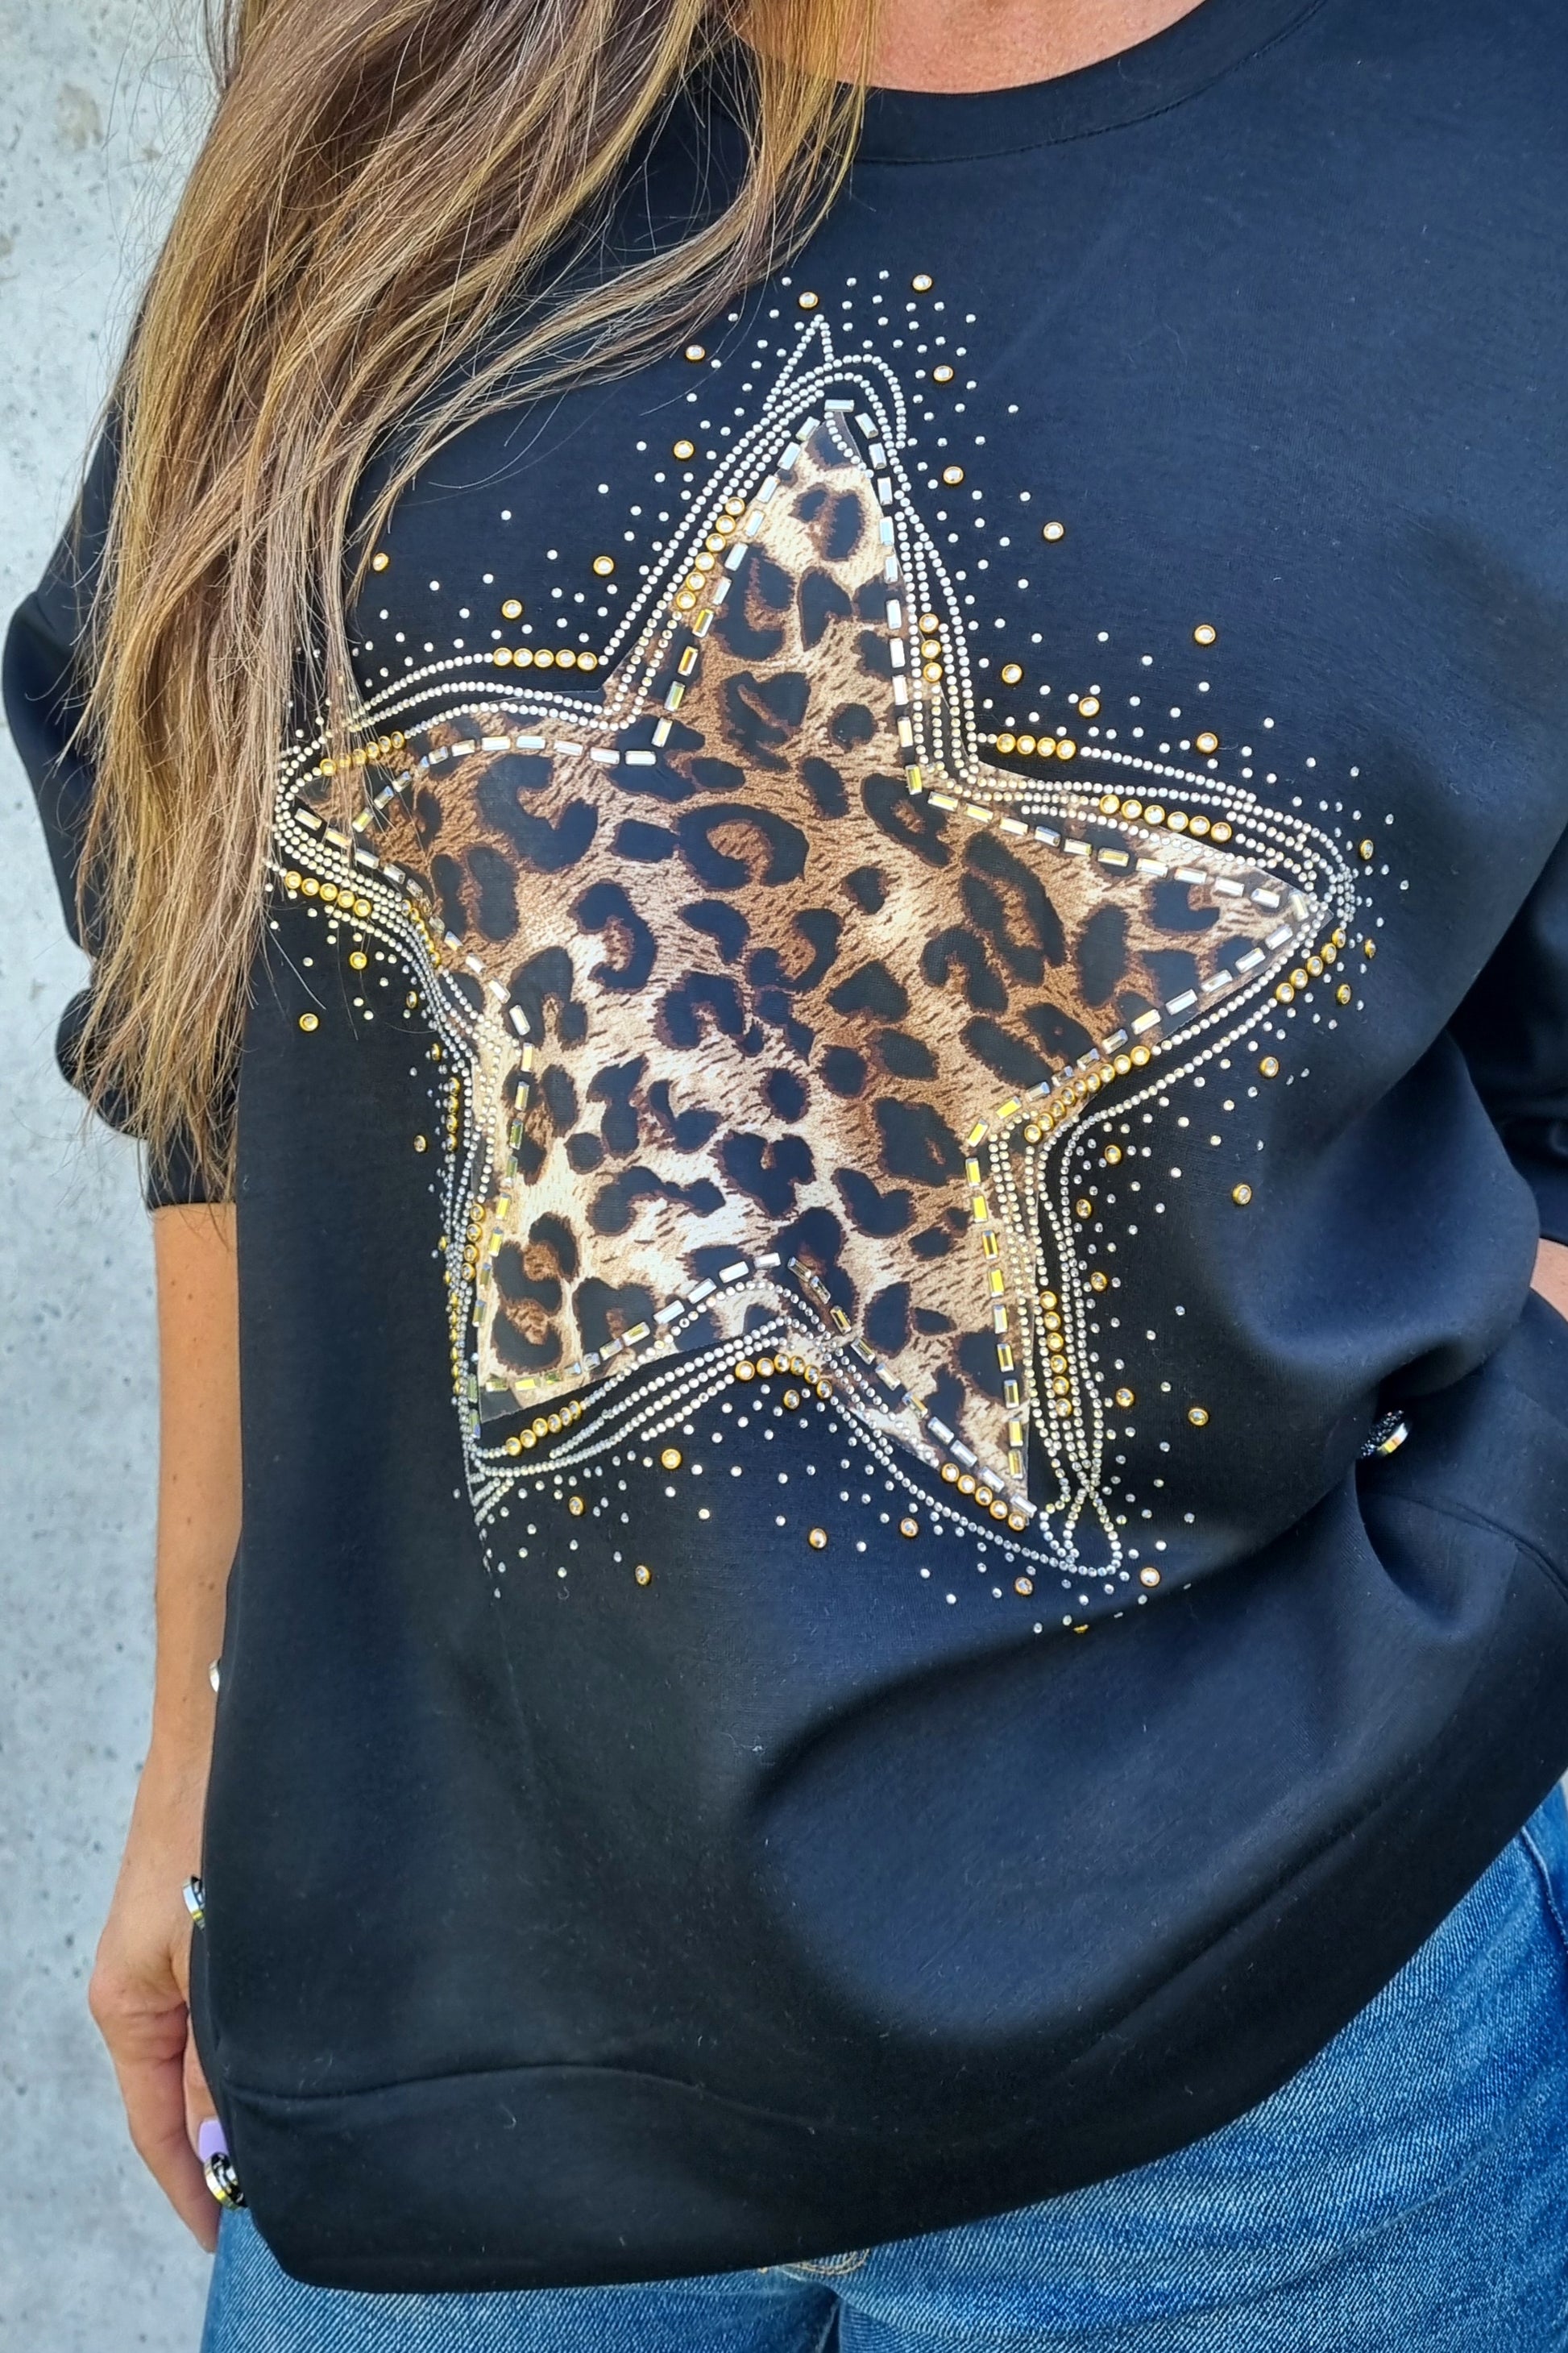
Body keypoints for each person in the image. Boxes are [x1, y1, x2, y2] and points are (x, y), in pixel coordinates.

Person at [10, 0, 1568, 2341]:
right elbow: (213, 1015)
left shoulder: (1513, 140)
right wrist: (201, 1762)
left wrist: (1490, 1622)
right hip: (463, 2034)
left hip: (1287, 2077)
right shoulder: (384, 103)